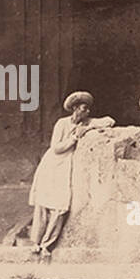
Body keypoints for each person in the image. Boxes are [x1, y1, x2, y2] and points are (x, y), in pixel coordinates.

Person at [27, 91, 115, 261]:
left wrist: (88, 127)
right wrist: (74, 137)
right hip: (51, 165)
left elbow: (109, 121)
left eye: (88, 109)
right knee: (43, 206)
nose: (87, 112)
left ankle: (46, 244)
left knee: (60, 207)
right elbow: (56, 148)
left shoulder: (87, 122)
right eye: (83, 108)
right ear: (75, 109)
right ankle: (35, 243)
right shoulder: (62, 124)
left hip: (65, 168)